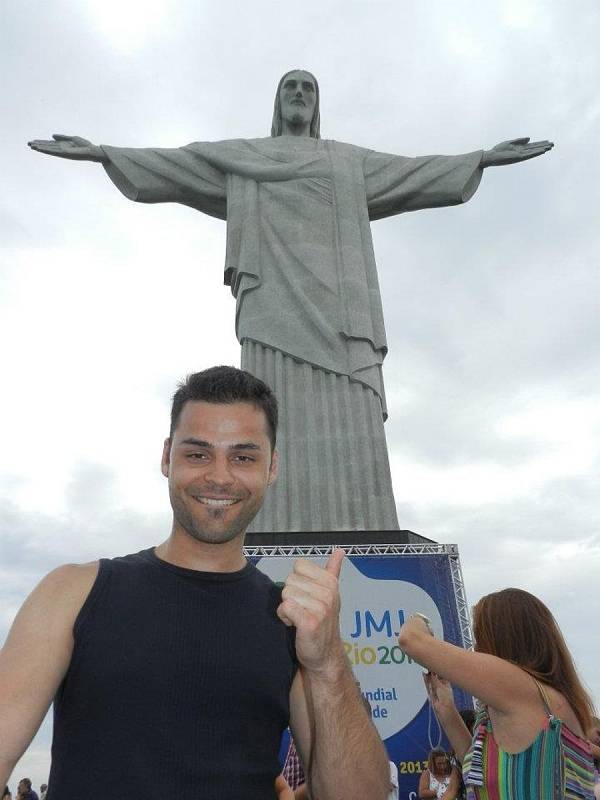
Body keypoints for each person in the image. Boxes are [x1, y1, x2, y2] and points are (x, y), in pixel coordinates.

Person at [28, 71, 553, 533]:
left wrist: (481, 158)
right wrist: (102, 152)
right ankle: (273, 528)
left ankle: (363, 526)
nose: (299, 95)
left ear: (316, 104)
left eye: (307, 88)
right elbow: (177, 166)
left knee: (350, 408)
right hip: (272, 308)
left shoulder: (346, 161)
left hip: (342, 314)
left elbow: (413, 172)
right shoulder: (244, 158)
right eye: (290, 87)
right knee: (268, 405)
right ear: (278, 102)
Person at [0, 366, 390, 799]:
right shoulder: (72, 593)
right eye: (198, 454)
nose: (220, 477)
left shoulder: (293, 624)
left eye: (243, 457)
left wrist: (327, 661)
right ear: (167, 457)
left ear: (272, 467)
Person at [398, 588, 596, 799]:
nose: (475, 647)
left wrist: (418, 619)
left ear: (503, 640)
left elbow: (411, 639)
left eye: (479, 637)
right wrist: (447, 710)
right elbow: (479, 770)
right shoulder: (520, 704)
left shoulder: (523, 687)